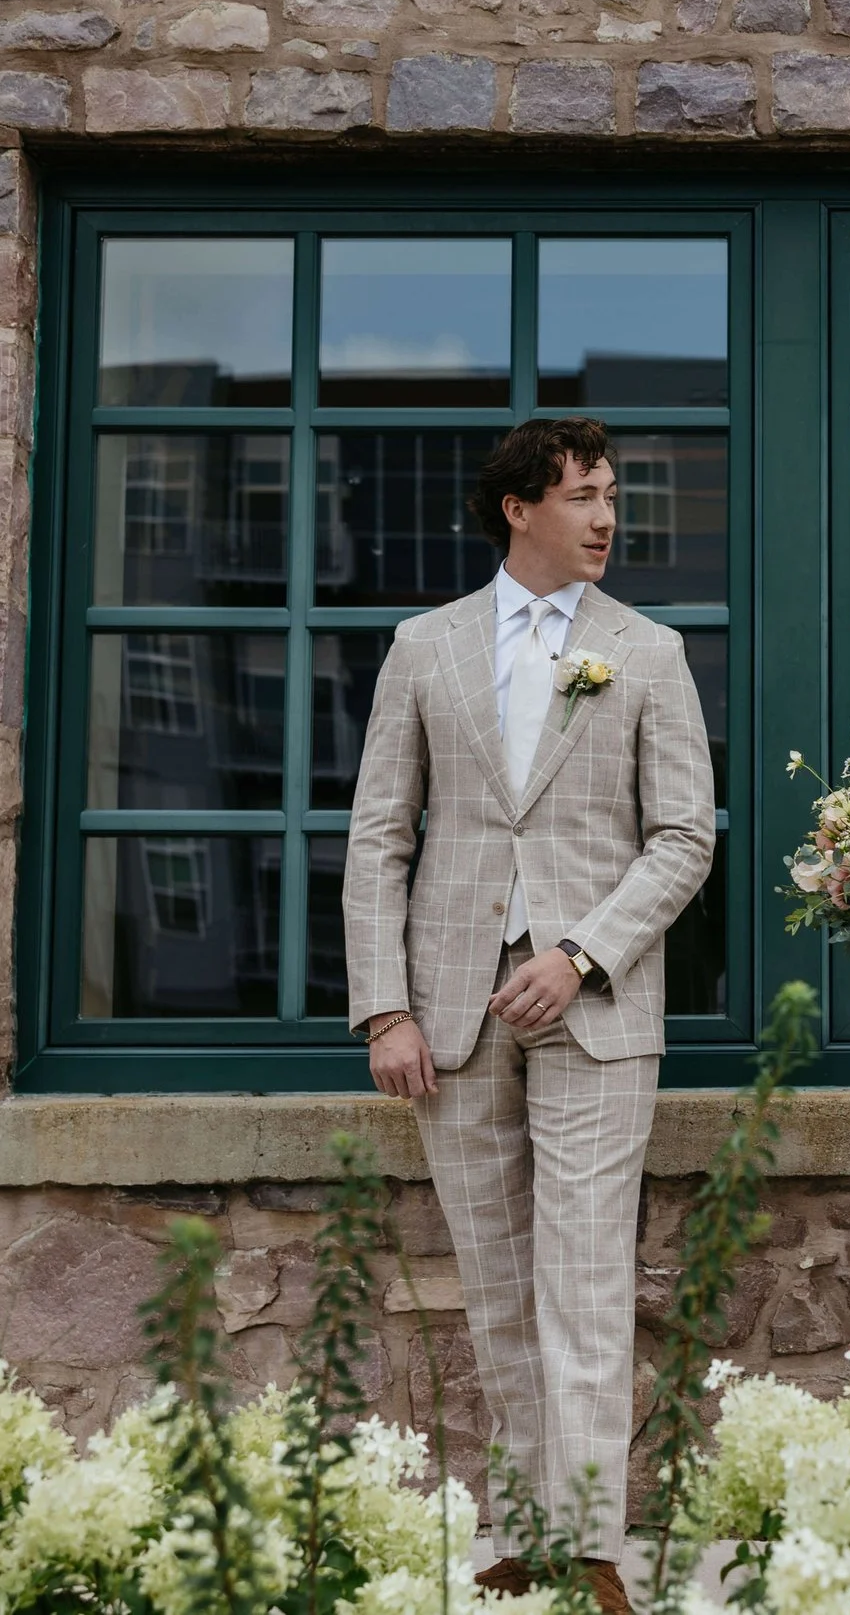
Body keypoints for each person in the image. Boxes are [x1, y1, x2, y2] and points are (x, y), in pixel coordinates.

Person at [343, 416, 717, 1615]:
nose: (607, 517)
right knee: (495, 1280)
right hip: (448, 1019)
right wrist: (383, 1010)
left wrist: (582, 950)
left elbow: (684, 838)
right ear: (519, 507)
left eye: (611, 495)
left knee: (588, 1276)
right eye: (585, 496)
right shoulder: (424, 647)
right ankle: (518, 1532)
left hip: (595, 1009)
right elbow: (379, 837)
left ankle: (591, 1540)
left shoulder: (647, 652)